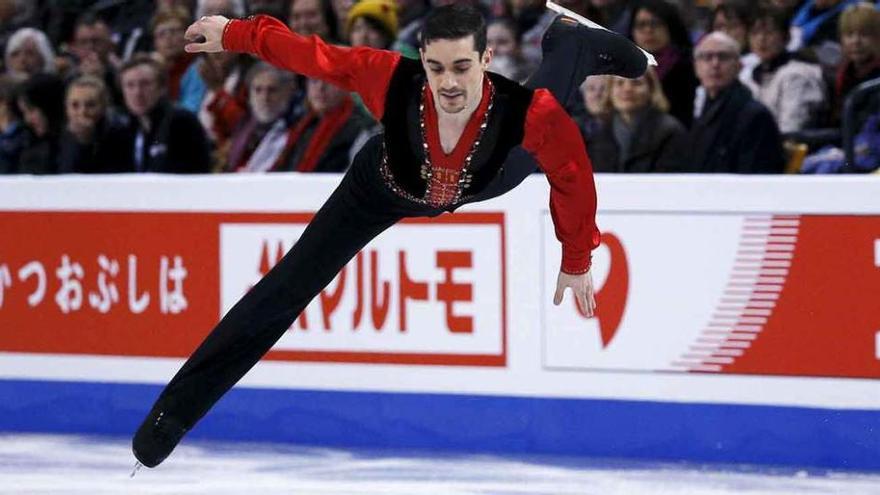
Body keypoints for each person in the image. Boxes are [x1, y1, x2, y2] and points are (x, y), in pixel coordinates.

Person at [131, 4, 649, 469]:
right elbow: (312, 55)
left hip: (482, 178)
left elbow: (573, 179)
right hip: (377, 189)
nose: (449, 83)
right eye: (436, 67)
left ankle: (570, 43)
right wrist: (238, 34)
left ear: (487, 59)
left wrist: (577, 257)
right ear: (420, 58)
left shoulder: (528, 117)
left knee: (541, 114)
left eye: (463, 67)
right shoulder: (387, 77)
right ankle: (171, 417)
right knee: (284, 288)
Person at [687, 31, 786, 173]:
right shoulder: (702, 112)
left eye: (723, 57)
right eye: (707, 57)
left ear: (739, 66)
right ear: (696, 67)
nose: (715, 64)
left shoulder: (755, 117)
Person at [740, 8, 826, 134]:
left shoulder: (798, 74)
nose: (761, 39)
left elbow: (790, 129)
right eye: (755, 33)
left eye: (769, 33)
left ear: (786, 37)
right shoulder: (748, 76)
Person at [588, 67, 687, 172]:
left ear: (651, 89)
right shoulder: (599, 132)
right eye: (619, 83)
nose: (627, 89)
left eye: (636, 83)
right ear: (610, 91)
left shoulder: (670, 131)